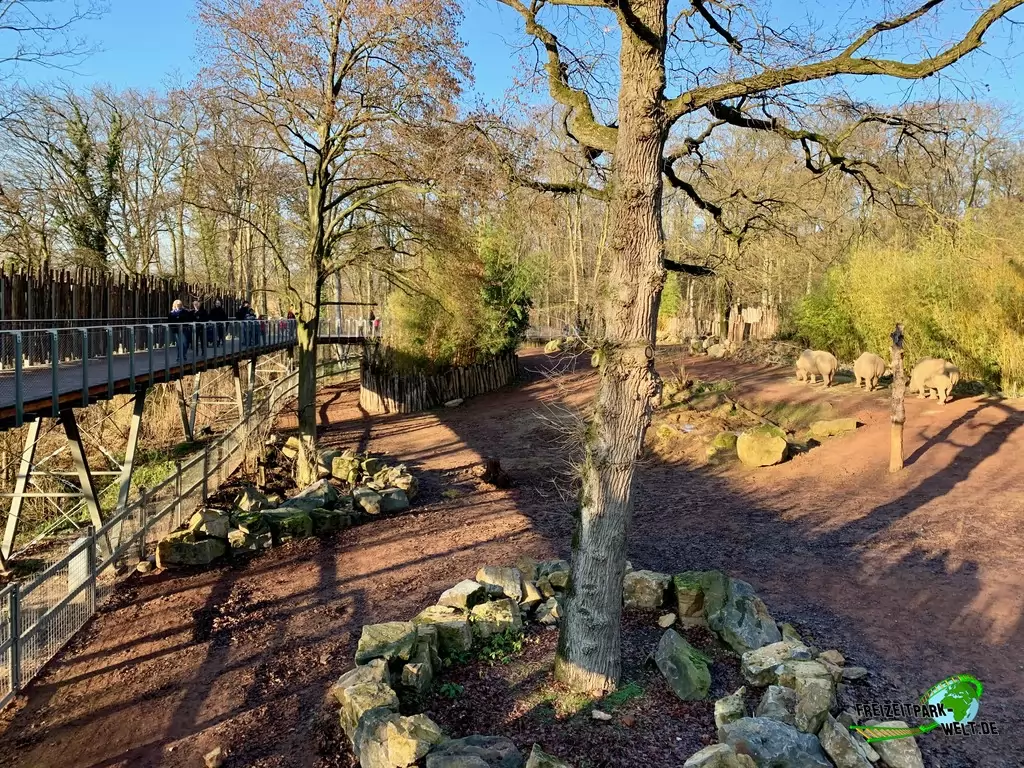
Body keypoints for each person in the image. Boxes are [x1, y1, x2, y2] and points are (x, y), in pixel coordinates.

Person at [169, 299, 192, 363]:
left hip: (184, 329)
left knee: (185, 343)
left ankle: (183, 355)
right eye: (177, 305)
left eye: (180, 305)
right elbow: (169, 321)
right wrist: (173, 327)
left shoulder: (185, 312)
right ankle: (179, 357)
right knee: (179, 344)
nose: (178, 306)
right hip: (176, 330)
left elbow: (188, 319)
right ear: (175, 305)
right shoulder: (172, 313)